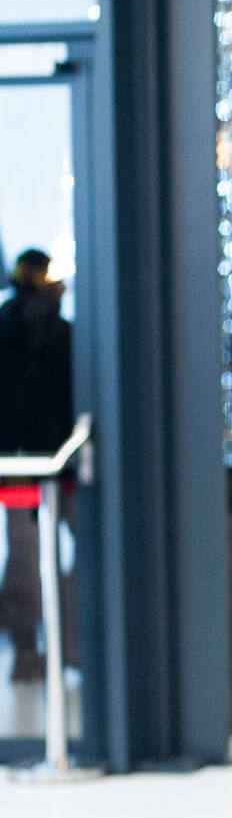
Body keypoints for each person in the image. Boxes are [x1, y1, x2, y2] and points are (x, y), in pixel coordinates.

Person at [0, 249, 74, 682]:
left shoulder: (11, 321)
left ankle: (33, 648)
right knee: (29, 553)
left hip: (28, 459)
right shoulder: (45, 326)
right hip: (43, 458)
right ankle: (54, 646)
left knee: (24, 552)